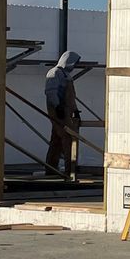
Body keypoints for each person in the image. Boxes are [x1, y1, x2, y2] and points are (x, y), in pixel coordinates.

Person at [44, 50, 82, 182]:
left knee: (56, 140)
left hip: (65, 111)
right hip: (58, 111)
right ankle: (69, 170)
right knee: (68, 138)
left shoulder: (66, 76)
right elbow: (51, 92)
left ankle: (51, 168)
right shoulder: (54, 73)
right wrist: (57, 106)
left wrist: (75, 110)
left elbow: (71, 97)